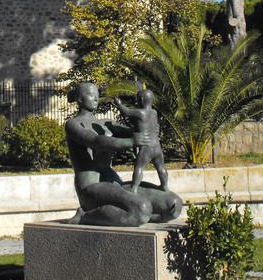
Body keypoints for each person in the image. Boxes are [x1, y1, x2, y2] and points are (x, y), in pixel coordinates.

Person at [64, 81, 183, 226]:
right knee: (141, 208)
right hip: (90, 188)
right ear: (80, 99)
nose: (96, 98)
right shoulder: (73, 125)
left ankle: (144, 216)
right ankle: (84, 216)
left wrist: (149, 130)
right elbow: (96, 141)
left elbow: (134, 131)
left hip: (115, 184)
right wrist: (132, 141)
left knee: (174, 203)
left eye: (97, 95)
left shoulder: (106, 123)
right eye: (91, 94)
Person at [114, 88, 168, 193]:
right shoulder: (154, 112)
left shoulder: (140, 113)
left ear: (142, 100)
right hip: (156, 145)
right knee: (161, 167)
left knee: (139, 167)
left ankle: (134, 187)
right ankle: (165, 186)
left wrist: (119, 104)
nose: (136, 102)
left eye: (137, 99)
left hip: (146, 146)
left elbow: (127, 112)